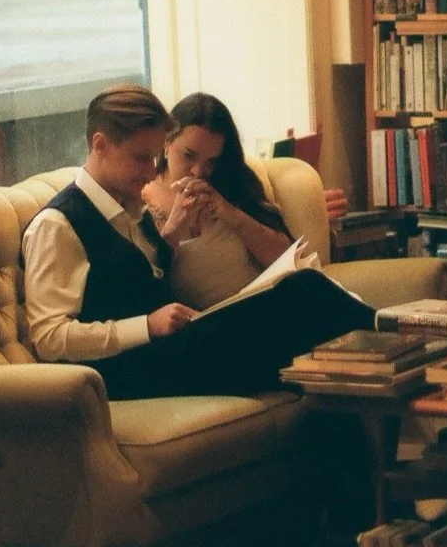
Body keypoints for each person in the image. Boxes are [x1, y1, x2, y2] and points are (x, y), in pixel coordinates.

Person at [22, 83, 376, 403]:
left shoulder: (128, 210)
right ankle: (404, 339)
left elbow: (142, 282)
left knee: (310, 328)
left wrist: (172, 241)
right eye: (142, 157)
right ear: (100, 145)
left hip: (170, 350)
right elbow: (50, 338)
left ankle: (394, 358)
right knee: (301, 293)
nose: (151, 171)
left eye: (156, 158)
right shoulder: (58, 224)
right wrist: (147, 325)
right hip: (128, 374)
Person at [141, 92, 295, 310]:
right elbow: (142, 290)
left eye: (211, 161)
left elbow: (287, 259)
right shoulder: (141, 201)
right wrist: (172, 231)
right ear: (166, 142)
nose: (199, 172)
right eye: (188, 155)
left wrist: (231, 215)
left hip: (270, 304)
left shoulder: (229, 183)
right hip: (207, 326)